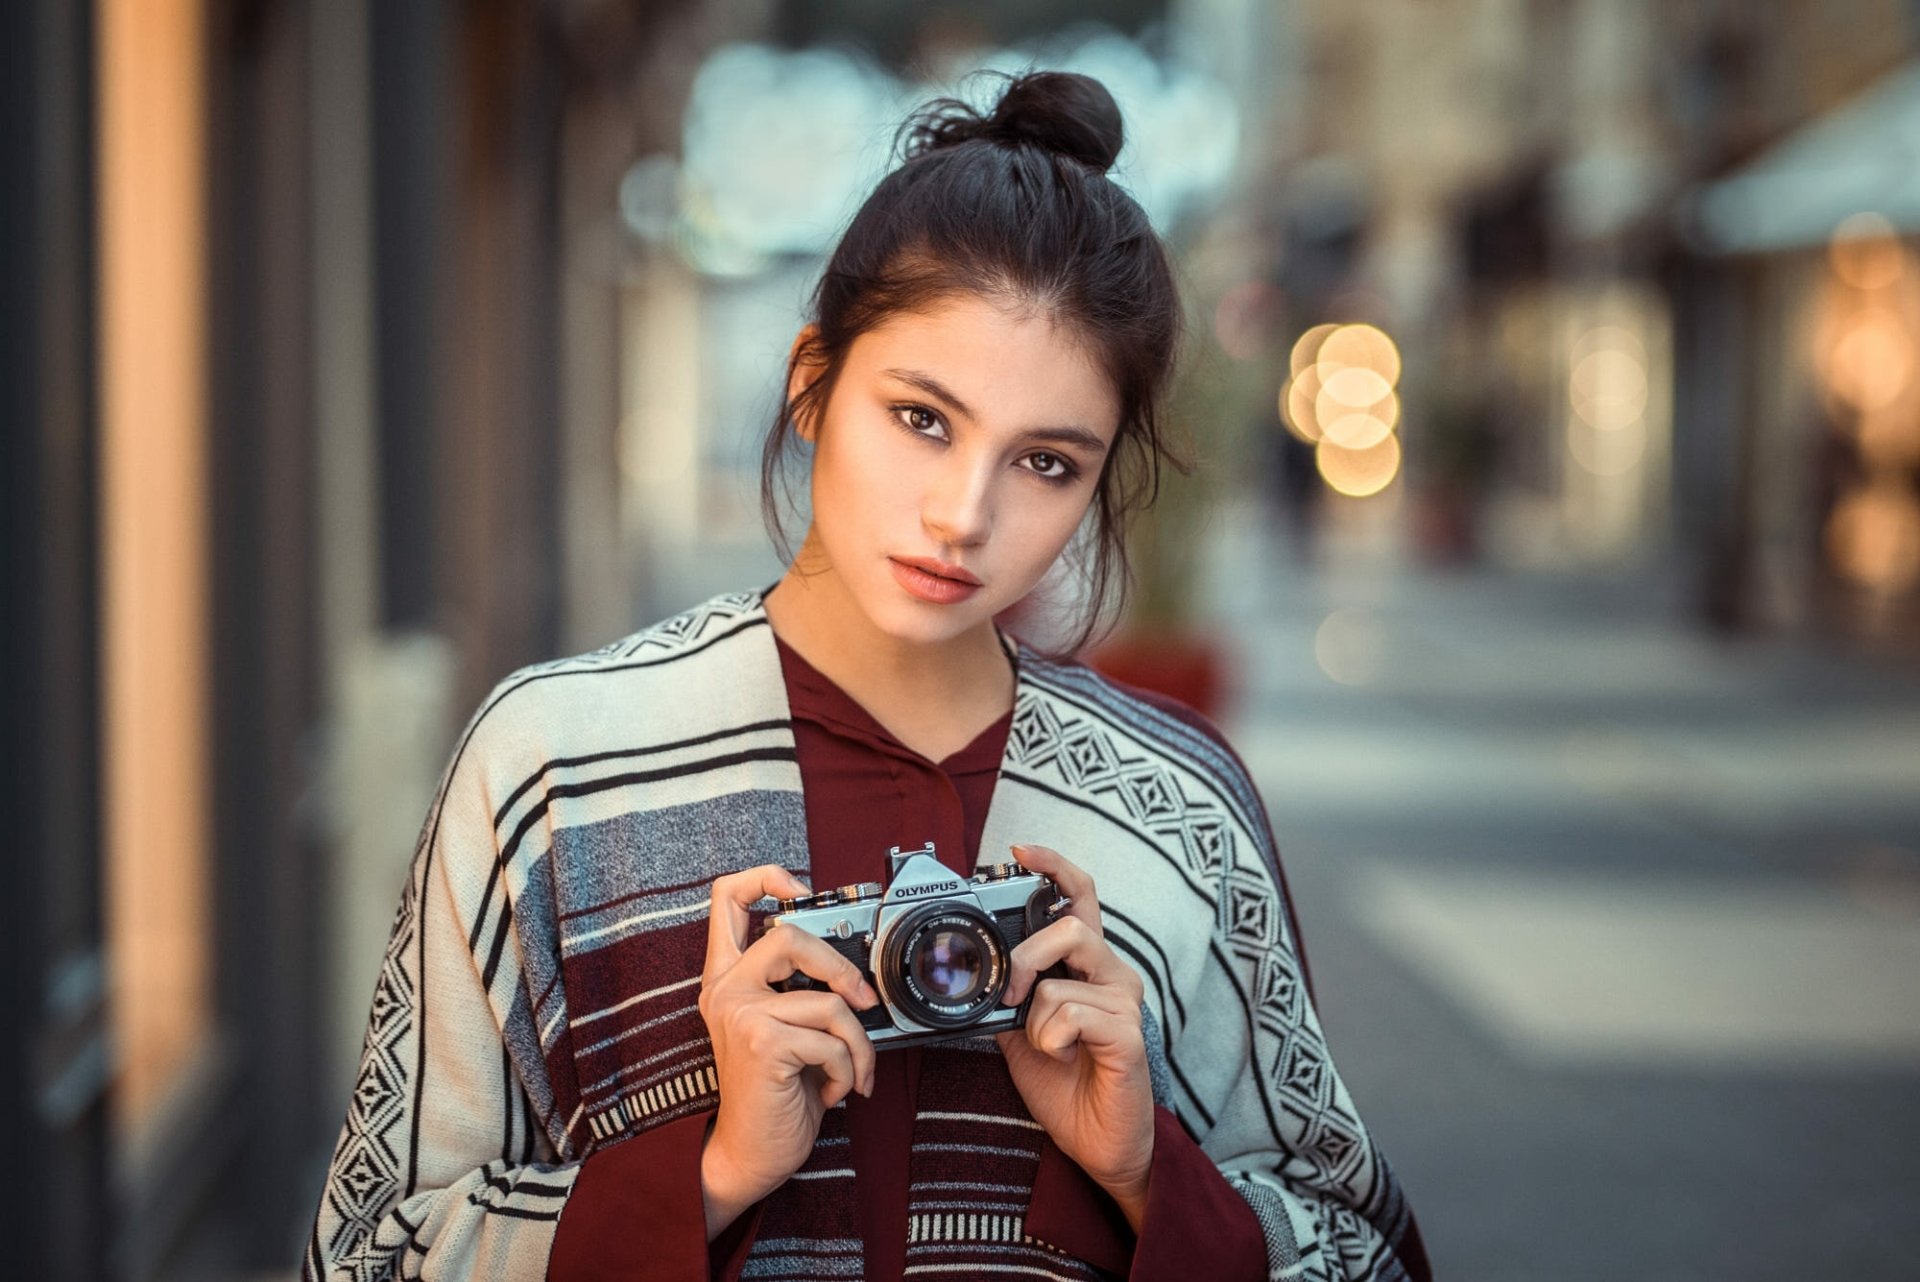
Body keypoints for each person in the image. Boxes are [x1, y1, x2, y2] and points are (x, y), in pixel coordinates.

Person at [302, 69, 1430, 1282]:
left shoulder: (1177, 807)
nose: (963, 515)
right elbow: (369, 1252)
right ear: (813, 384)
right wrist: (709, 1174)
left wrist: (1147, 1177)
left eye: (1046, 463)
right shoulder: (557, 764)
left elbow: (1361, 1246)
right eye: (923, 419)